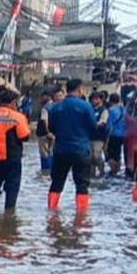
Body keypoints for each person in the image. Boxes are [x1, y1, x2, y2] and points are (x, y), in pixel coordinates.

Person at [47, 78, 97, 214]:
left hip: (61, 150)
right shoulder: (86, 107)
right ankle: (81, 217)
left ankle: (51, 215)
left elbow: (51, 128)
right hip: (81, 150)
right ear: (80, 89)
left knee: (56, 183)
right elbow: (93, 128)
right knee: (82, 184)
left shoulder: (57, 107)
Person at [0, 90, 31, 210]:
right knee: (12, 188)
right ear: (13, 102)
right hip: (12, 158)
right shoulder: (18, 117)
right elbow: (25, 136)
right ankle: (9, 215)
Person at [89, 91, 109, 178]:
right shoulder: (89, 109)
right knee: (89, 157)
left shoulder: (104, 110)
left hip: (99, 137)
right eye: (93, 99)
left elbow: (103, 123)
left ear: (101, 100)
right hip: (89, 137)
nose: (95, 101)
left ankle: (101, 171)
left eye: (97, 99)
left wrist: (93, 124)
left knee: (96, 155)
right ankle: (91, 174)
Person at [105, 93, 126, 177]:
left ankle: (113, 171)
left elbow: (109, 125)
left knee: (111, 154)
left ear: (110, 101)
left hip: (113, 135)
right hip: (123, 135)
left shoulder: (110, 111)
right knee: (118, 153)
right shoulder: (123, 110)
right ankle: (118, 169)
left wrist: (106, 137)